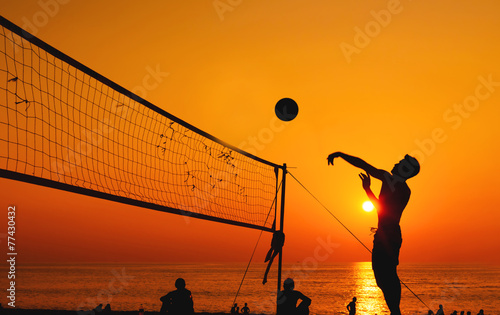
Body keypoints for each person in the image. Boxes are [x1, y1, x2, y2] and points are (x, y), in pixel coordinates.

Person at [327, 152, 420, 315]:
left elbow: (363, 164)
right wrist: (368, 190)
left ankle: (395, 311)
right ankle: (395, 310)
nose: (396, 163)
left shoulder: (391, 181)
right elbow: (382, 208)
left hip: (387, 236)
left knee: (385, 277)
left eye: (401, 163)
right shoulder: (403, 189)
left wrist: (340, 154)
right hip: (390, 235)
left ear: (406, 169)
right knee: (385, 276)